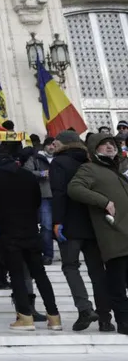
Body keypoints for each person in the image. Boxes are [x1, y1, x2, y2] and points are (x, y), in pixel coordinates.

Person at [0, 142, 61, 331]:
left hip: (9, 232)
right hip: (31, 230)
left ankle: (25, 316)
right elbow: (37, 201)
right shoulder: (27, 176)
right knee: (40, 274)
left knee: (16, 274)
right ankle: (54, 316)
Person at [50, 130, 114, 332]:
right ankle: (105, 318)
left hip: (69, 224)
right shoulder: (91, 161)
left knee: (70, 266)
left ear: (64, 144)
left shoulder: (59, 163)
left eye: (56, 143)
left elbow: (59, 193)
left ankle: (85, 309)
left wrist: (57, 221)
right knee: (97, 272)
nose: (53, 146)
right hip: (93, 225)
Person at [68, 132, 128, 336]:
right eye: (104, 145)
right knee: (118, 285)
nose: (110, 147)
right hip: (114, 236)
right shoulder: (89, 168)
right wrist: (104, 201)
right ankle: (124, 322)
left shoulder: (116, 170)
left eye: (112, 143)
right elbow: (74, 188)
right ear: (94, 150)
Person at [25, 138, 55, 265]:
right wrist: (41, 173)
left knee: (63, 225)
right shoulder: (35, 158)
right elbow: (26, 172)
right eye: (49, 145)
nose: (52, 147)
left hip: (60, 196)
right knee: (46, 226)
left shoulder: (60, 158)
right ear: (44, 146)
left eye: (54, 145)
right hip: (44, 196)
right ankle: (48, 254)